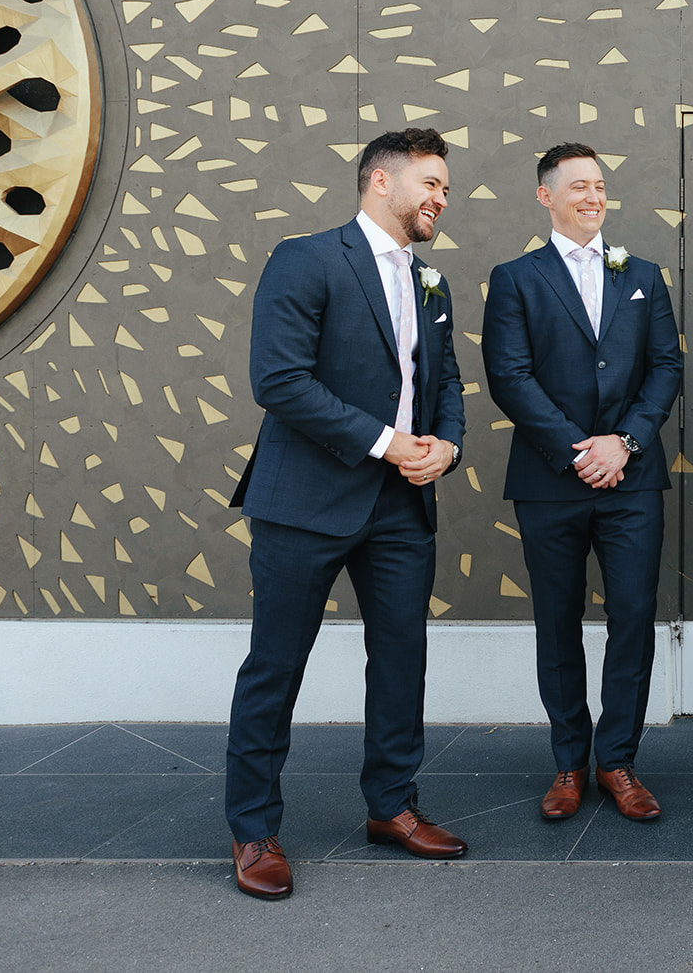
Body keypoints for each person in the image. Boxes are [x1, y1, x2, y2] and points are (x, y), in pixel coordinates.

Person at [225, 128, 468, 900]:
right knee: (275, 667)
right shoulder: (306, 258)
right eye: (428, 183)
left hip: (402, 504)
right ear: (378, 182)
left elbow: (449, 382)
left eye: (444, 188)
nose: (439, 198)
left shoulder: (432, 283)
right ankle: (254, 828)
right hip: (304, 502)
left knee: (402, 659)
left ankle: (392, 806)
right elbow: (280, 380)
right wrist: (392, 443)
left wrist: (446, 450)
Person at [482, 143, 681, 822]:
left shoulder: (644, 276)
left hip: (631, 479)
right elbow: (509, 375)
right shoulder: (515, 278)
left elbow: (666, 369)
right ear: (546, 196)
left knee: (632, 616)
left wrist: (622, 443)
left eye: (600, 185)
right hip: (550, 482)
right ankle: (569, 761)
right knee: (558, 621)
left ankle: (617, 760)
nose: (593, 197)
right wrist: (578, 451)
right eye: (578, 187)